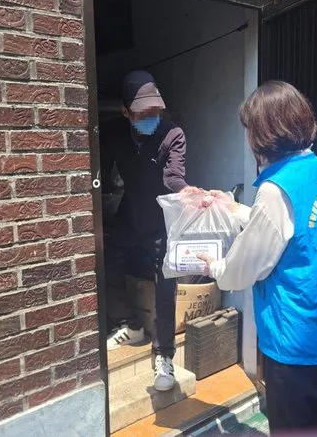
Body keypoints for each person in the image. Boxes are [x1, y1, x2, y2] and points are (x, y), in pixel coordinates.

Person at [197, 81, 317, 431]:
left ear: (264, 134)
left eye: (250, 129)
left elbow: (244, 268)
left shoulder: (274, 190)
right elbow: (288, 231)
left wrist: (214, 267)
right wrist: (233, 208)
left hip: (298, 345)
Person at [100, 70, 200, 392]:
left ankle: (164, 355)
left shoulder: (172, 134)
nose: (150, 118)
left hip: (160, 221)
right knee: (107, 262)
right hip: (130, 214)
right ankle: (131, 325)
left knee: (165, 286)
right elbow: (101, 171)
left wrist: (188, 193)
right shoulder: (114, 133)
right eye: (142, 112)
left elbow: (173, 177)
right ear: (125, 111)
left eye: (154, 111)